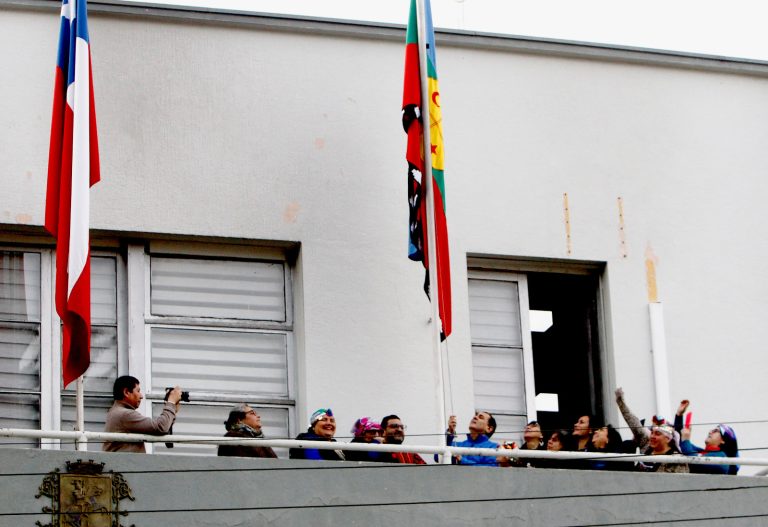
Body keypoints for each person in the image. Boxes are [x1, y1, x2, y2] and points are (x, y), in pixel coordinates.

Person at [615, 387, 689, 473]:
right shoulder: (646, 444)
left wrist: (679, 415)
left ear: (668, 438)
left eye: (657, 434)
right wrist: (621, 403)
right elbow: (634, 423)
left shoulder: (677, 460)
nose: (652, 436)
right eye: (652, 432)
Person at [103, 375, 182, 453]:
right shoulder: (125, 414)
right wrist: (171, 402)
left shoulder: (116, 412)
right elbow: (160, 427)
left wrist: (172, 409)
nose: (141, 396)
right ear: (126, 392)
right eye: (138, 391)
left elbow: (162, 429)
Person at [674, 399, 739, 475]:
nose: (710, 431)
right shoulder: (702, 452)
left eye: (716, 431)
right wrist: (679, 415)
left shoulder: (722, 458)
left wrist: (686, 439)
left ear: (723, 441)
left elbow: (693, 461)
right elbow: (679, 440)